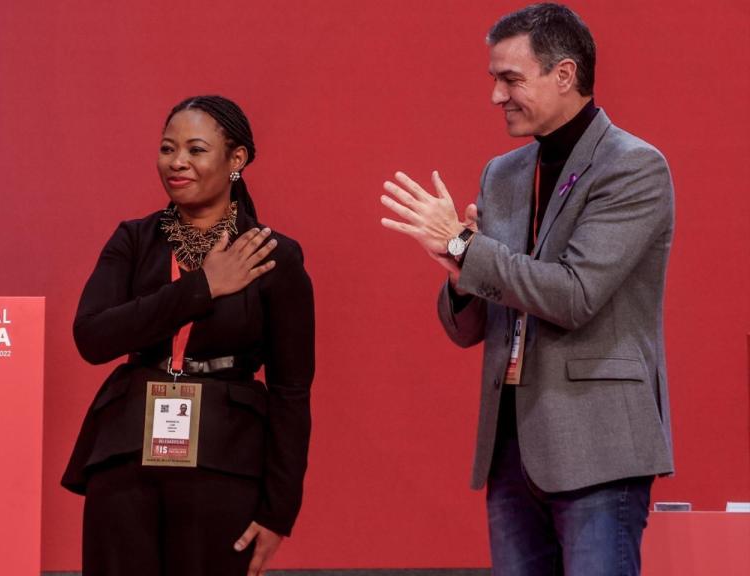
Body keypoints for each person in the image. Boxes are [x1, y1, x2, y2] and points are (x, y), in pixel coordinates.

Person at [379, 4, 674, 575]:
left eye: (510, 78)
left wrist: (467, 249)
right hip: (511, 446)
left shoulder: (634, 168)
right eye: (494, 78)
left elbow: (573, 295)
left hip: (598, 447)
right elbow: (469, 326)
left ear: (565, 75)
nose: (496, 95)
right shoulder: (504, 173)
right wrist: (456, 271)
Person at [63, 95, 315, 576]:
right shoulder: (134, 240)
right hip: (126, 454)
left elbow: (291, 390)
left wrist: (278, 512)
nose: (176, 162)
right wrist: (204, 287)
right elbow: (92, 337)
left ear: (235, 159)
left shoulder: (272, 254)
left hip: (225, 461)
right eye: (166, 149)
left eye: (195, 150)